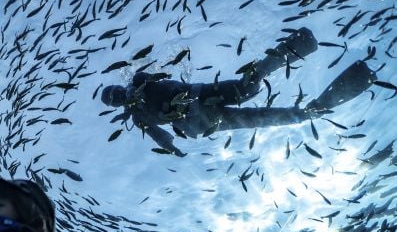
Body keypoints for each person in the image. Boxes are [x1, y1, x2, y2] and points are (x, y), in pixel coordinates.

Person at [101, 27, 376, 155]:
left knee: (252, 93)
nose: (120, 97)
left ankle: (296, 70)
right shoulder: (137, 113)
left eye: (116, 93)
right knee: (253, 99)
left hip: (200, 108)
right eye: (116, 98)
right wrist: (172, 148)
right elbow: (161, 137)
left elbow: (161, 134)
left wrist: (173, 148)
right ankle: (309, 105)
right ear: (117, 104)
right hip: (200, 115)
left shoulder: (137, 85)